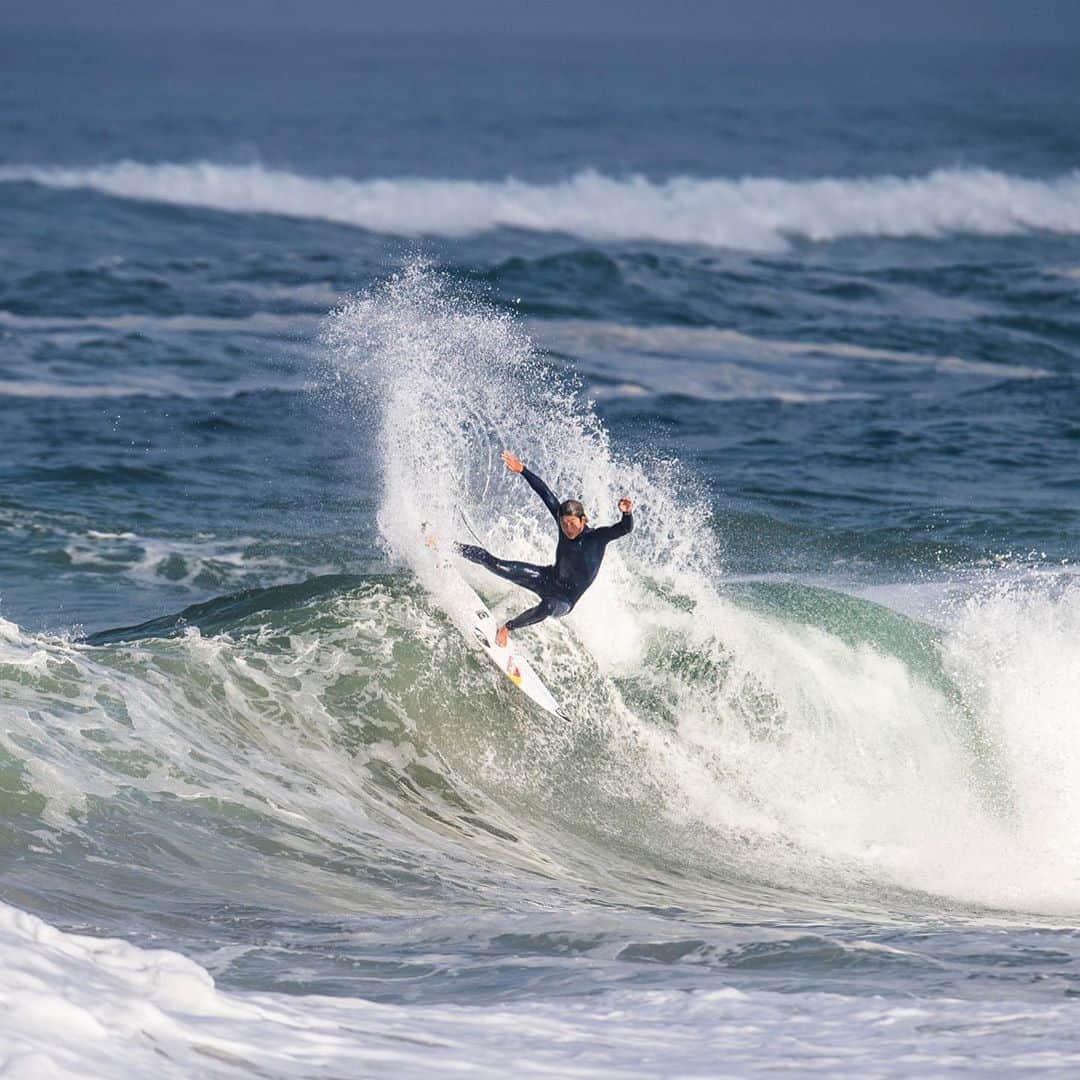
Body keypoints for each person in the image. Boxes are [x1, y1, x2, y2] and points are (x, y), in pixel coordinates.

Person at [456, 451, 634, 648]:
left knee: (547, 606)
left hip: (564, 600)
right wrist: (522, 470)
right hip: (547, 578)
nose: (567, 528)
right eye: (564, 523)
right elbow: (545, 493)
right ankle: (450, 546)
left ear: (583, 520)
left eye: (572, 523)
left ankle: (507, 628)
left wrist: (627, 514)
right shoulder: (562, 523)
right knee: (496, 564)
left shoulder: (596, 538)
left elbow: (624, 528)